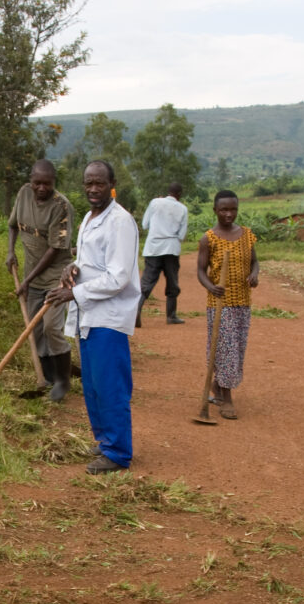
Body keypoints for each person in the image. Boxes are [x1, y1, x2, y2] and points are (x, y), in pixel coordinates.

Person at [46, 160, 141, 474]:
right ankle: (104, 440)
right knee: (94, 384)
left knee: (111, 385)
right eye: (88, 183)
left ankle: (117, 453)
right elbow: (89, 261)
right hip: (88, 316)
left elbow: (118, 278)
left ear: (112, 183)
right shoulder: (89, 217)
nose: (93, 189)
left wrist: (72, 293)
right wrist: (72, 267)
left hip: (109, 318)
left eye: (99, 183)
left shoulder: (120, 221)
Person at [6, 159, 75, 401]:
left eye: (47, 183)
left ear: (54, 183)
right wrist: (10, 251)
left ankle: (63, 381)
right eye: (37, 183)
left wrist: (28, 279)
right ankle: (47, 376)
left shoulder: (62, 207)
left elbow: (55, 249)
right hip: (30, 274)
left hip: (57, 275)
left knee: (51, 327)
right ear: (31, 181)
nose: (41, 188)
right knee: (34, 329)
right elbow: (13, 225)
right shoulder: (24, 193)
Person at [197, 189, 259, 420]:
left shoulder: (246, 235)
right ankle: (227, 399)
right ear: (215, 210)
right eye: (224, 209)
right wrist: (210, 286)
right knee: (226, 350)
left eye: (233, 209)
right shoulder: (208, 238)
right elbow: (201, 271)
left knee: (238, 349)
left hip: (242, 302)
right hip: (220, 304)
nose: (228, 214)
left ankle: (219, 385)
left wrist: (254, 275)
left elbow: (255, 262)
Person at [137, 182, 189, 325]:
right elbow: (181, 235)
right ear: (179, 195)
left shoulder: (155, 202)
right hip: (171, 248)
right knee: (172, 281)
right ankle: (171, 316)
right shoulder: (183, 209)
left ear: (168, 192)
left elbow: (144, 225)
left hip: (153, 247)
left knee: (147, 281)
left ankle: (136, 309)